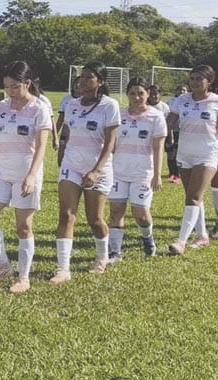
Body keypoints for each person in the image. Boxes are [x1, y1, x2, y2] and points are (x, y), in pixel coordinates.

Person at [0, 61, 51, 293]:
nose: (10, 92)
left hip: (25, 175)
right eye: (7, 87)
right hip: (1, 173)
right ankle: (2, 265)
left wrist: (31, 175)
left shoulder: (40, 108)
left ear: (27, 84)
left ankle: (23, 276)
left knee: (23, 227)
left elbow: (42, 147)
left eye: (14, 87)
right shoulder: (1, 107)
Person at [52, 61, 120, 283]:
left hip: (96, 170)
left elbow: (110, 143)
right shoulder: (72, 104)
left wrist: (96, 170)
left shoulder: (110, 106)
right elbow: (68, 134)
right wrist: (62, 153)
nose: (82, 81)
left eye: (89, 77)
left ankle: (102, 257)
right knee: (66, 215)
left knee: (95, 219)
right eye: (81, 77)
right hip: (71, 165)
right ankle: (63, 268)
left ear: (100, 82)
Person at [106, 77, 166, 263]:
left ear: (148, 94)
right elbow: (111, 144)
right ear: (127, 95)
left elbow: (158, 148)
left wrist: (157, 175)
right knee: (116, 211)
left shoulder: (156, 116)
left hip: (142, 173)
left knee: (140, 214)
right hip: (118, 171)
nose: (137, 97)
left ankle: (147, 238)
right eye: (132, 93)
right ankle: (115, 252)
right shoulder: (120, 115)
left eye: (141, 93)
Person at [166, 65, 218, 254]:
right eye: (192, 78)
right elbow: (170, 122)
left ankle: (181, 241)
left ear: (209, 82)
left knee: (194, 196)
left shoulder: (215, 102)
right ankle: (202, 235)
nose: (194, 82)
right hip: (185, 154)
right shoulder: (182, 100)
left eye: (199, 79)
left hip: (207, 154)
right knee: (192, 196)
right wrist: (163, 135)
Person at [54, 76, 80, 165]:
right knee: (62, 148)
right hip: (66, 128)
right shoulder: (66, 99)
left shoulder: (86, 101)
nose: (78, 85)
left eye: (80, 83)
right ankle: (61, 169)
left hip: (78, 129)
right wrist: (55, 134)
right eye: (76, 83)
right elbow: (61, 117)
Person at [165, 84, 188, 184]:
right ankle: (172, 173)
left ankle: (177, 175)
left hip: (182, 132)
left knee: (179, 154)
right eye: (180, 90)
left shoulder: (189, 101)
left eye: (184, 90)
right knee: (171, 153)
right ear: (176, 91)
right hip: (170, 130)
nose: (182, 92)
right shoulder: (170, 102)